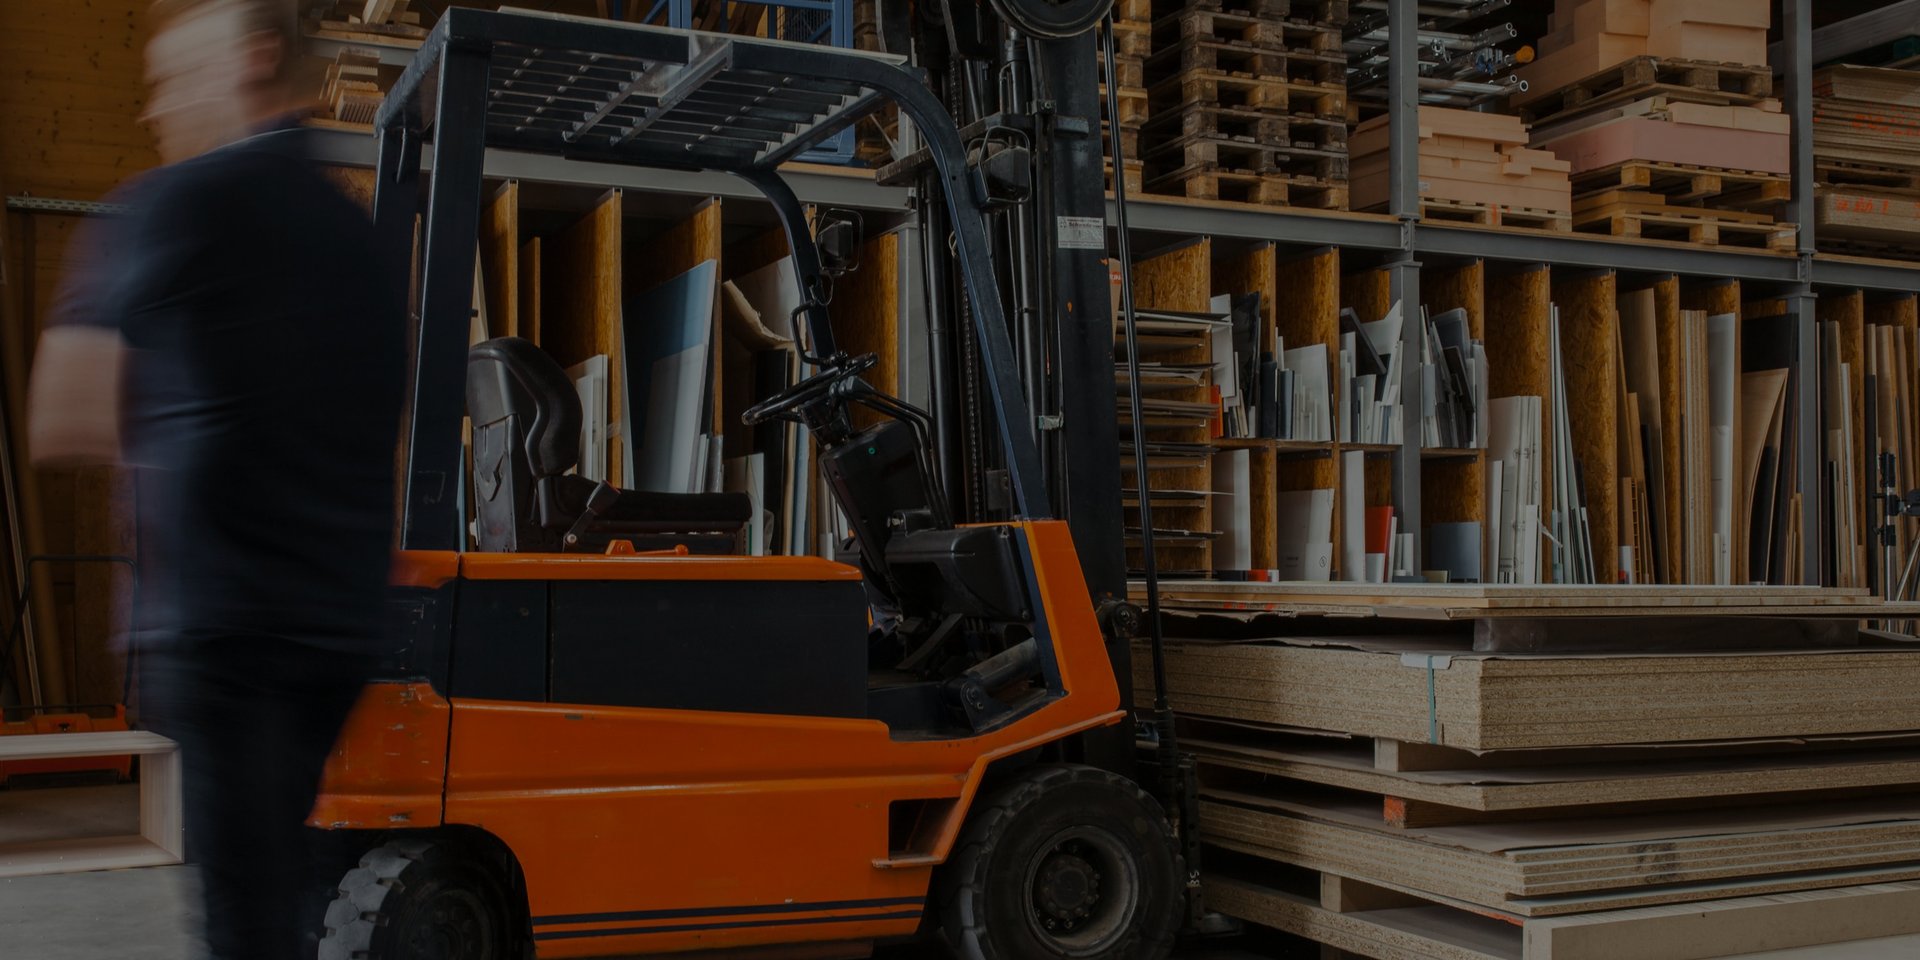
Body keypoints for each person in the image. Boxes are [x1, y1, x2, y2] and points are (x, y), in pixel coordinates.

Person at [26, 1, 406, 957]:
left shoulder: (177, 202)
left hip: (223, 626)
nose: (156, 110)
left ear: (255, 58)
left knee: (244, 922)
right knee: (276, 894)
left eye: (171, 80)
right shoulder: (360, 241)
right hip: (336, 627)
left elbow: (63, 412)